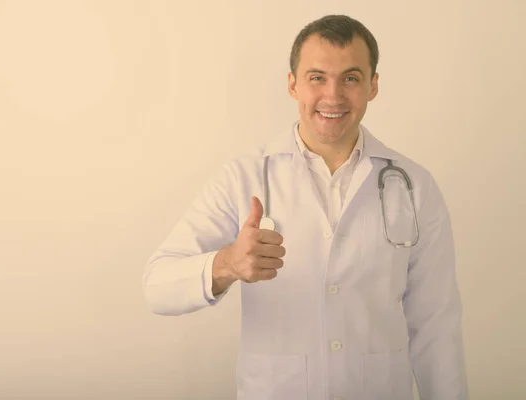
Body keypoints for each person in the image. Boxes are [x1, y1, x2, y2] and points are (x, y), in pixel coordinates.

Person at [142, 14, 469, 400]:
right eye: (317, 77)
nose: (333, 96)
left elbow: (436, 324)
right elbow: (156, 286)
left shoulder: (414, 185)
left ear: (373, 86)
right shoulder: (243, 178)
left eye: (350, 78)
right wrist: (227, 264)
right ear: (292, 85)